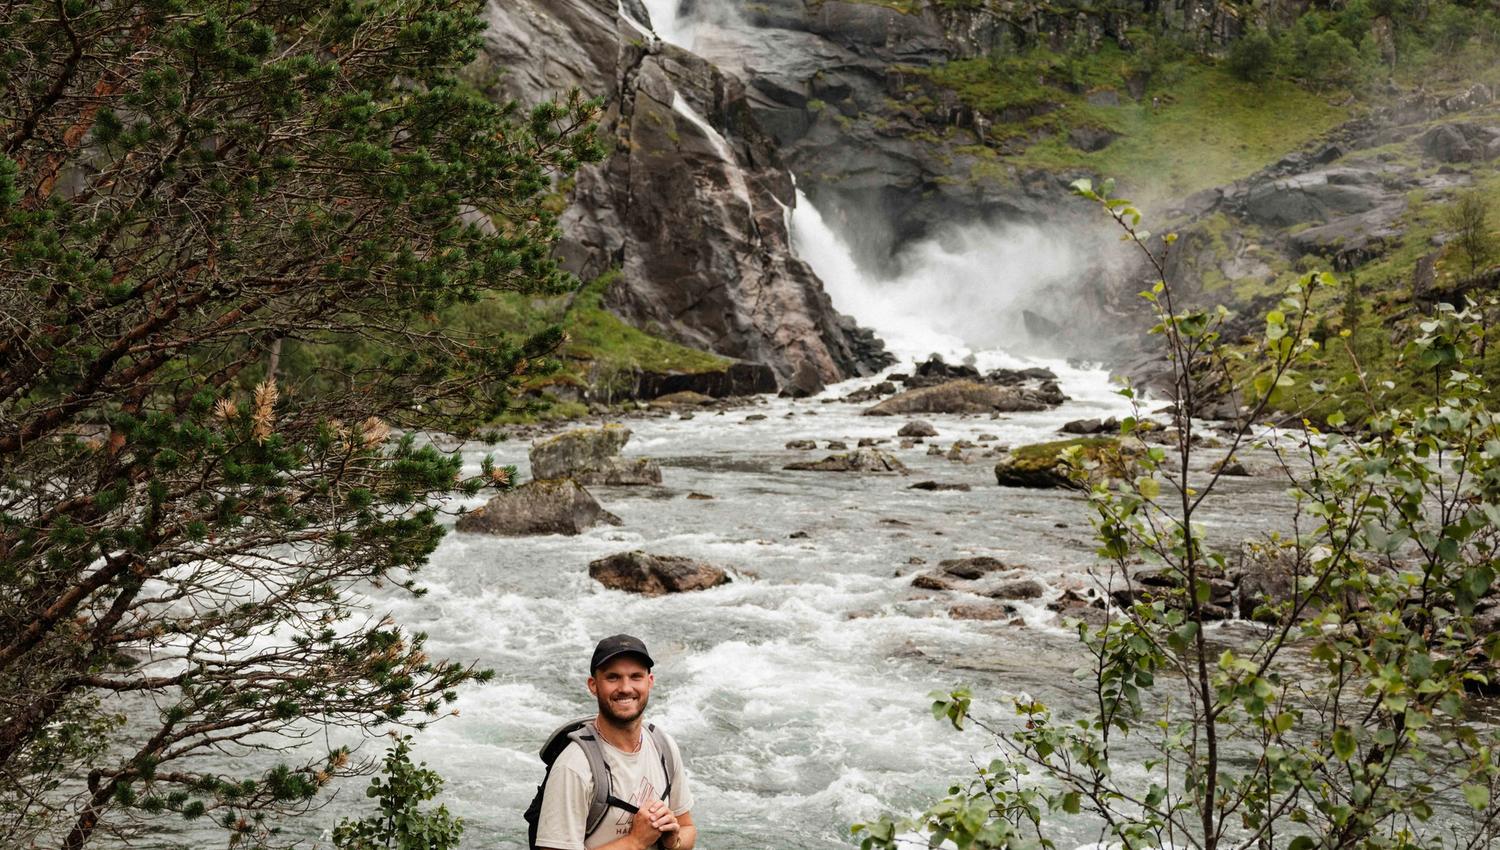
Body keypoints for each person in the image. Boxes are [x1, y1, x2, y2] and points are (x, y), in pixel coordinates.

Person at [535, 635, 697, 850]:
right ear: (593, 685)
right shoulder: (574, 766)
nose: (626, 687)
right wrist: (635, 841)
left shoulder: (663, 746)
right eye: (613, 678)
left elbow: (687, 827)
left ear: (650, 682)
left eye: (636, 676)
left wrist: (672, 841)